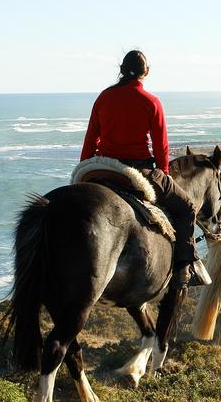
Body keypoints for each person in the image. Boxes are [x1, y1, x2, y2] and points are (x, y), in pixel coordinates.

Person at [80, 49, 212, 288]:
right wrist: (163, 173)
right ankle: (185, 266)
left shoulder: (103, 97)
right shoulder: (151, 101)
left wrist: (85, 168)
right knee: (186, 208)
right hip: (138, 171)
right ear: (146, 72)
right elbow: (161, 146)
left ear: (121, 70)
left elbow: (90, 140)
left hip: (102, 166)